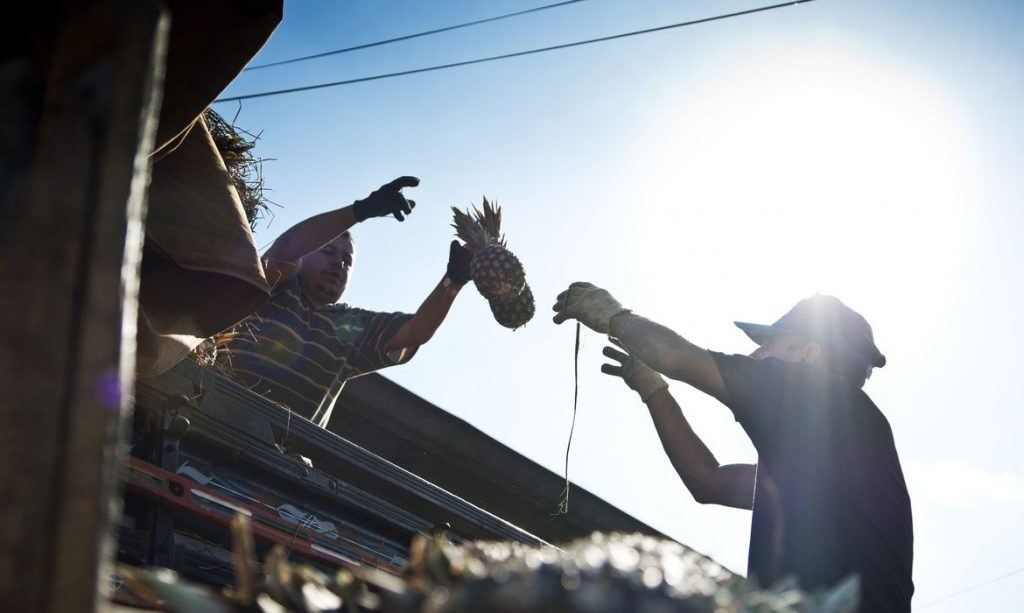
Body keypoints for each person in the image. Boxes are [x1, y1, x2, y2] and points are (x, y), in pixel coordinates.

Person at [552, 284, 914, 612]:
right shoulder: (832, 455)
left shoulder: (823, 398)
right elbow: (709, 482)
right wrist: (653, 390)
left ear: (808, 353)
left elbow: (679, 356)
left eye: (771, 343)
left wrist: (612, 316)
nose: (757, 354)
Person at [215, 176, 472, 425]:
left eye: (347, 261)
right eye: (328, 252)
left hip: (284, 460)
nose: (339, 262)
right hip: (215, 420)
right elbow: (287, 249)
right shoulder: (275, 288)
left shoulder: (353, 326)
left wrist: (453, 282)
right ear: (306, 256)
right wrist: (361, 210)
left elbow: (415, 331)